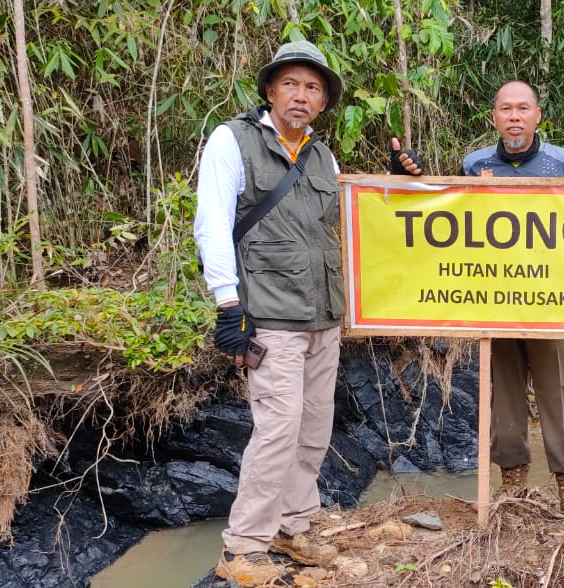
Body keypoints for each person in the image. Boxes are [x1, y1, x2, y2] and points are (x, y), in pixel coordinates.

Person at [194, 40, 422, 587]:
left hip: (323, 315)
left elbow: (350, 224)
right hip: (270, 316)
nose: (301, 96)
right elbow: (212, 224)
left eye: (313, 87)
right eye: (291, 84)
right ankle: (243, 546)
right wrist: (228, 304)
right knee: (276, 430)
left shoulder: (322, 156)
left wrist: (396, 182)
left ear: (323, 102)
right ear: (270, 90)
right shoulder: (234, 140)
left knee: (315, 428)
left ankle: (294, 529)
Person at [461, 80, 564, 517]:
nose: (515, 117)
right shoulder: (474, 165)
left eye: (523, 108)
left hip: (554, 302)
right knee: (503, 395)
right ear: (494, 117)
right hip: (495, 301)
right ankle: (513, 486)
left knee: (559, 391)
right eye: (506, 109)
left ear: (538, 115)